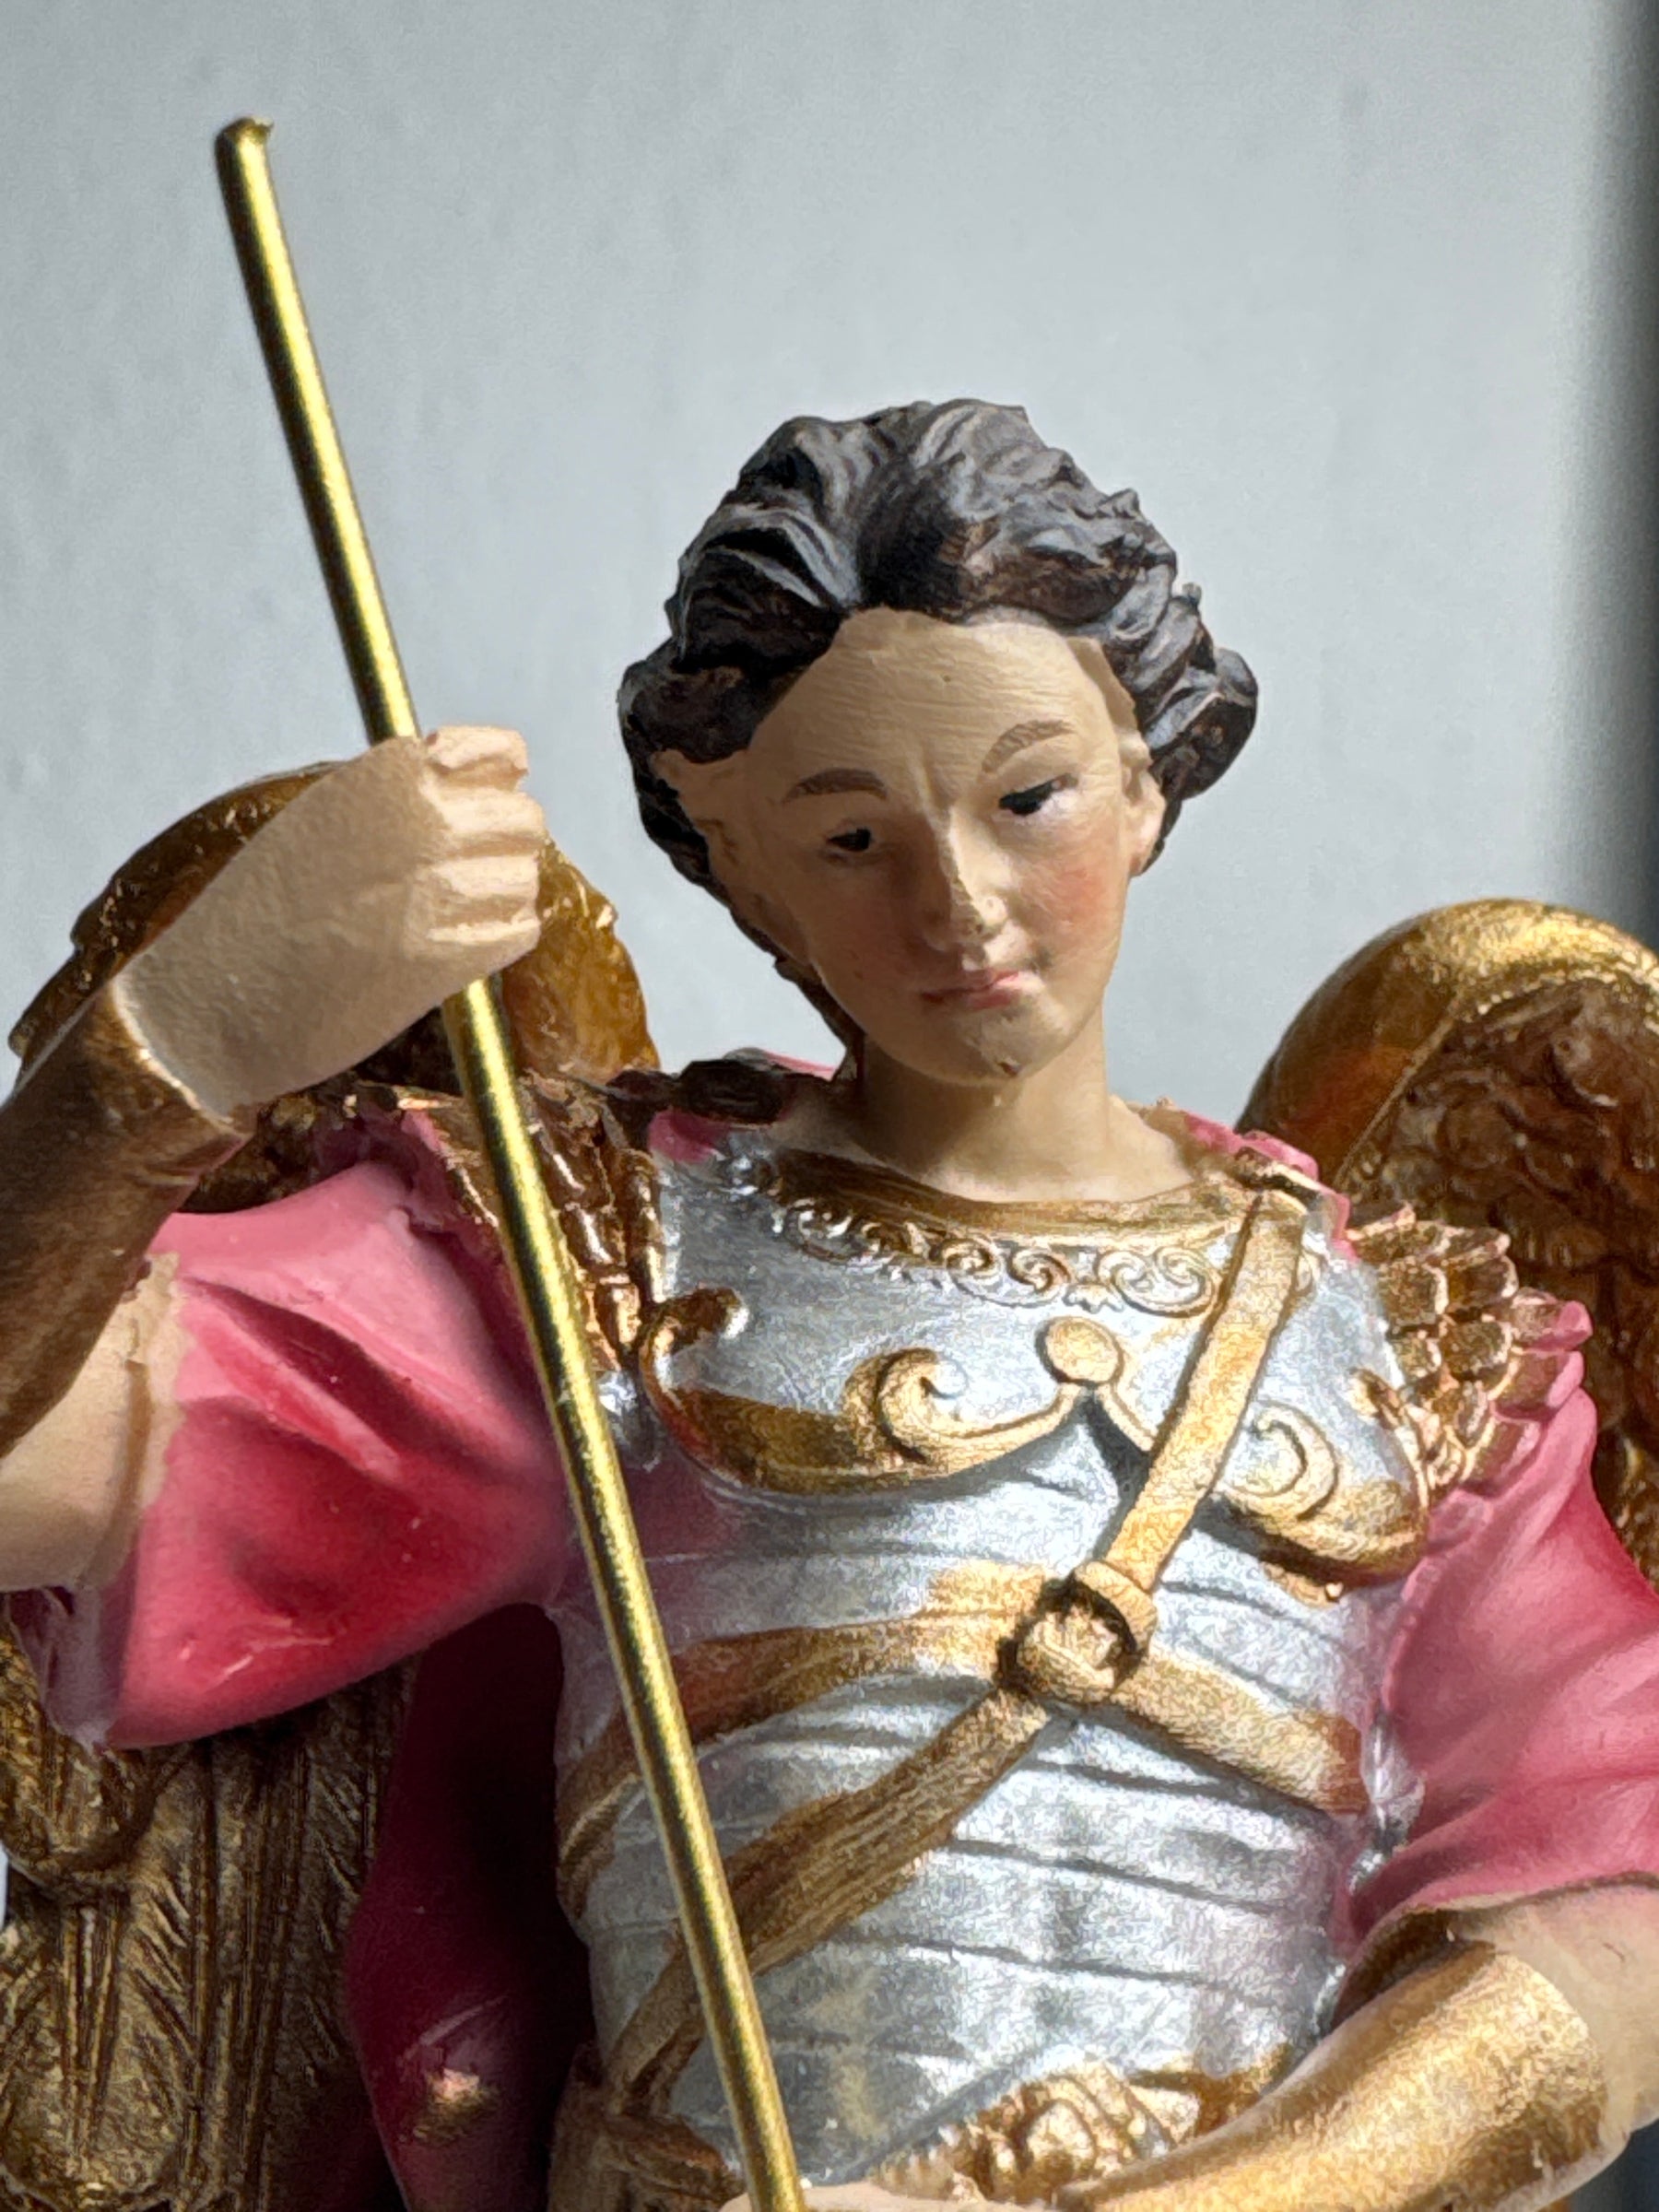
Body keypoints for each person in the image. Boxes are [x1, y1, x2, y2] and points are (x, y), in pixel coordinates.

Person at [2, 400, 1659, 2212]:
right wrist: (162, 1061)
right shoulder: (600, 1255)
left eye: (1028, 800)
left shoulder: (1410, 1339)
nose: (962, 904)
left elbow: (1608, 1907)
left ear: (1145, 773)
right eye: (855, 835)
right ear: (736, 856)